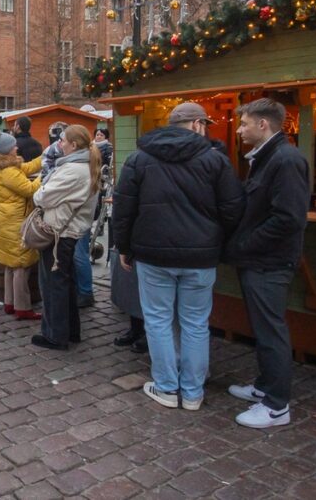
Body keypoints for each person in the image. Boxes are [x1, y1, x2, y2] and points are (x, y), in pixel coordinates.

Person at [111, 102, 245, 411]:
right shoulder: (215, 160)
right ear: (197, 125)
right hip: (200, 256)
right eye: (205, 125)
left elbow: (123, 208)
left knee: (158, 321)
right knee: (196, 323)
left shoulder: (140, 158)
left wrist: (125, 246)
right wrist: (216, 241)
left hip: (153, 254)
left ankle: (168, 387)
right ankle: (193, 392)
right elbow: (233, 209)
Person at [225, 98, 310, 428]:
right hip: (259, 260)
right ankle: (264, 388)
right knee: (263, 328)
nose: (240, 128)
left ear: (264, 124)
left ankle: (277, 406)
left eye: (245, 123)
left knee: (271, 331)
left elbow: (288, 219)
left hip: (269, 263)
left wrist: (245, 244)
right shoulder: (268, 157)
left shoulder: (285, 160)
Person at [31, 125, 100, 350]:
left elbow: (42, 196)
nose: (59, 144)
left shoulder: (73, 169)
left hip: (59, 233)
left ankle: (55, 335)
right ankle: (70, 331)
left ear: (74, 144)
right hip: (67, 231)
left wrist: (41, 191)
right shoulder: (83, 165)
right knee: (65, 283)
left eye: (63, 140)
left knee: (53, 284)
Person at [0, 128, 44, 320]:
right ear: (7, 150)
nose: (17, 147)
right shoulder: (8, 171)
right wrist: (47, 174)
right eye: (13, 145)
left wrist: (44, 158)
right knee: (21, 264)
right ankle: (23, 308)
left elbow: (27, 168)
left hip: (6, 220)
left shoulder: (5, 166)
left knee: (10, 264)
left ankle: (10, 303)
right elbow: (30, 189)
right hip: (14, 221)